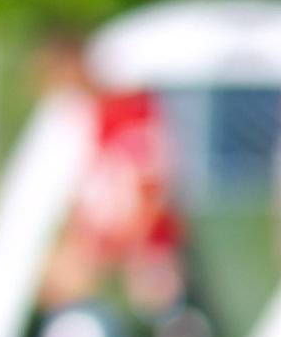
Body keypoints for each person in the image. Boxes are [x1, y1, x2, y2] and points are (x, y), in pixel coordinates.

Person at [34, 29, 187, 320]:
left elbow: (151, 189)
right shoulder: (88, 115)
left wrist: (118, 246)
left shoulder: (131, 111)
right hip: (103, 240)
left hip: (145, 244)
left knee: (155, 298)